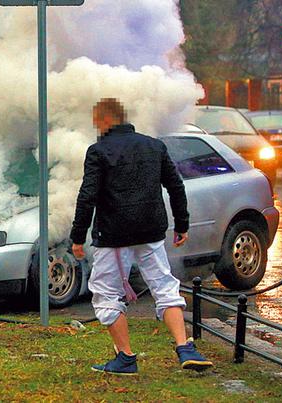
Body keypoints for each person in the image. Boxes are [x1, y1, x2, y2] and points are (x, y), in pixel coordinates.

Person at [70, 98, 213, 375]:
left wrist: (78, 236)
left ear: (105, 120)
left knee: (105, 294)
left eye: (97, 121)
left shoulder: (98, 151)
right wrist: (182, 224)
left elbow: (87, 196)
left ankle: (125, 357)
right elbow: (175, 185)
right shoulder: (154, 146)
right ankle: (185, 347)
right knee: (164, 286)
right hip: (150, 231)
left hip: (113, 234)